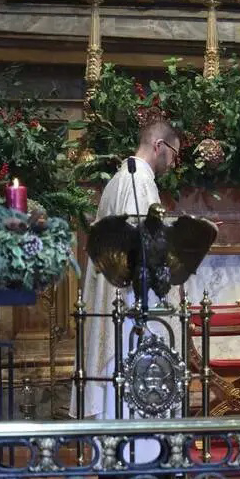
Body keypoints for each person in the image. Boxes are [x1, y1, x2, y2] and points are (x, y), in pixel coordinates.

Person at [73, 120, 182, 422]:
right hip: (131, 302)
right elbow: (143, 246)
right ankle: (137, 447)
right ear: (159, 146)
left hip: (118, 299)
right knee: (132, 384)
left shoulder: (120, 179)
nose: (174, 163)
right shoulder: (138, 181)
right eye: (174, 154)